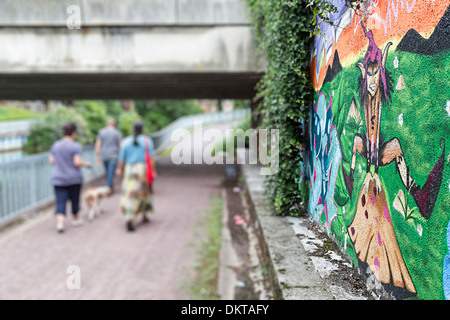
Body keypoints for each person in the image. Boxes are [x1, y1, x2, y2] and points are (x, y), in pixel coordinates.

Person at [49, 123, 92, 233]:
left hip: (58, 178)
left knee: (60, 201)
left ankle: (60, 223)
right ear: (73, 133)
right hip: (74, 178)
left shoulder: (55, 145)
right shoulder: (75, 146)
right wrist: (86, 164)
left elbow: (52, 161)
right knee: (75, 199)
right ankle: (75, 218)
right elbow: (77, 162)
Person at [115, 121, 156, 232]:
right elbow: (151, 159)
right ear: (142, 129)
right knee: (143, 192)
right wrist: (153, 171)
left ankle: (129, 216)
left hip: (129, 170)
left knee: (129, 193)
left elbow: (122, 160)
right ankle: (142, 215)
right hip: (142, 169)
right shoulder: (147, 141)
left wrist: (119, 169)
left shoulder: (125, 142)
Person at [95, 118, 122, 192]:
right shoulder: (117, 132)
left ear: (107, 124)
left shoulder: (102, 132)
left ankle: (110, 187)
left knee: (108, 172)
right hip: (113, 156)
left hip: (104, 156)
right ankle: (108, 189)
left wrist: (97, 156)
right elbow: (121, 145)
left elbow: (98, 144)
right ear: (114, 124)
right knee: (110, 173)